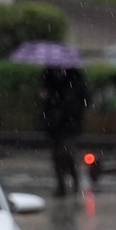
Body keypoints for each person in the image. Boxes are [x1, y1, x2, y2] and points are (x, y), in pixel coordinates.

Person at [41, 65, 89, 197]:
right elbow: (47, 102)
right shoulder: (49, 76)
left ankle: (74, 180)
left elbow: (81, 100)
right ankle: (61, 184)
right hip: (54, 125)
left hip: (70, 125)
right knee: (57, 155)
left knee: (66, 152)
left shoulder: (74, 79)